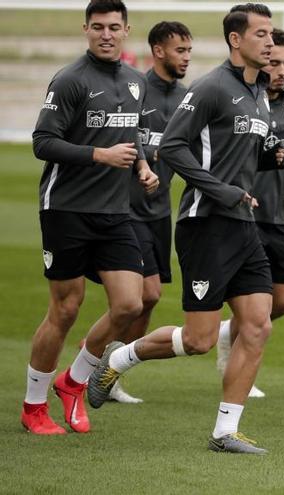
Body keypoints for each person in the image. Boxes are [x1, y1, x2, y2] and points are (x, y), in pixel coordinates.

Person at [88, 3, 284, 455]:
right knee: (198, 339)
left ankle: (225, 431)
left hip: (243, 224)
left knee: (257, 325)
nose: (269, 42)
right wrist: (221, 190)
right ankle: (119, 358)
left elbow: (231, 153)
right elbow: (173, 147)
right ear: (236, 40)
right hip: (206, 223)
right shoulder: (213, 87)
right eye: (261, 34)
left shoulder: (258, 93)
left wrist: (265, 159)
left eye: (271, 34)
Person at [22, 0, 158, 435]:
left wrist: (141, 164)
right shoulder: (69, 80)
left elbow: (130, 133)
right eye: (97, 27)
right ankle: (33, 407)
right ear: (86, 29)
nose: (106, 34)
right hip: (66, 209)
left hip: (115, 212)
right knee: (65, 310)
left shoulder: (137, 82)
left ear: (126, 30)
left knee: (130, 304)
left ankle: (74, 381)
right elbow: (42, 141)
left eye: (114, 27)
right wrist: (99, 155)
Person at [216, 28, 284, 399]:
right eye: (275, 62)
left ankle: (229, 333)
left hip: (278, 217)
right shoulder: (245, 101)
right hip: (244, 215)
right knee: (252, 302)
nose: (282, 70)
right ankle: (237, 365)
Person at [107, 20, 193, 404]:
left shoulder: (187, 98)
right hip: (128, 208)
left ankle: (108, 365)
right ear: (159, 51)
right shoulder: (136, 90)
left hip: (160, 211)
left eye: (189, 51)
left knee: (152, 298)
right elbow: (122, 137)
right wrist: (142, 164)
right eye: (180, 50)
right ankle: (102, 361)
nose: (186, 58)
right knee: (146, 292)